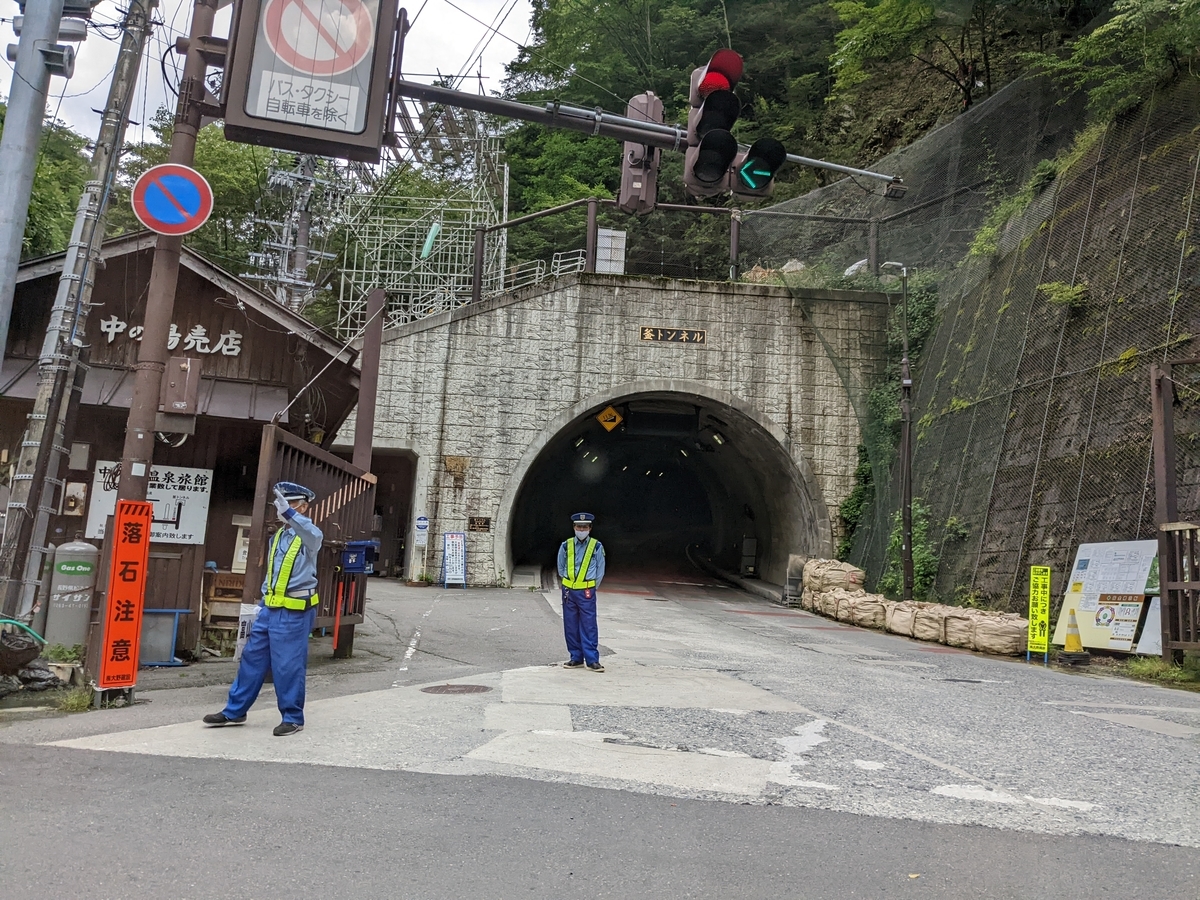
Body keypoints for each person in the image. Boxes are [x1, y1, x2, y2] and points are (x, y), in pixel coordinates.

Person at [203, 482, 323, 736]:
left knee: (287, 666)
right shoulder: (278, 536)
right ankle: (235, 710)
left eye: (289, 504)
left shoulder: (310, 535)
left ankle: (293, 718)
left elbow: (310, 533)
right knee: (252, 660)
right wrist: (262, 603)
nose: (283, 509)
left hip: (294, 611)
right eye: (281, 504)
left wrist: (290, 514)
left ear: (303, 507)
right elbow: (274, 573)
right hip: (270, 609)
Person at [558, 512, 606, 672]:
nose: (581, 529)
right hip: (569, 591)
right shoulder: (566, 545)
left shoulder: (596, 546)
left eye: (585, 527)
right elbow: (561, 567)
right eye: (579, 527)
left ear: (590, 528)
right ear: (574, 527)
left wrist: (590, 586)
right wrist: (569, 583)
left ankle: (592, 660)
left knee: (588, 625)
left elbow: (600, 570)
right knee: (570, 625)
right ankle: (576, 658)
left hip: (586, 591)